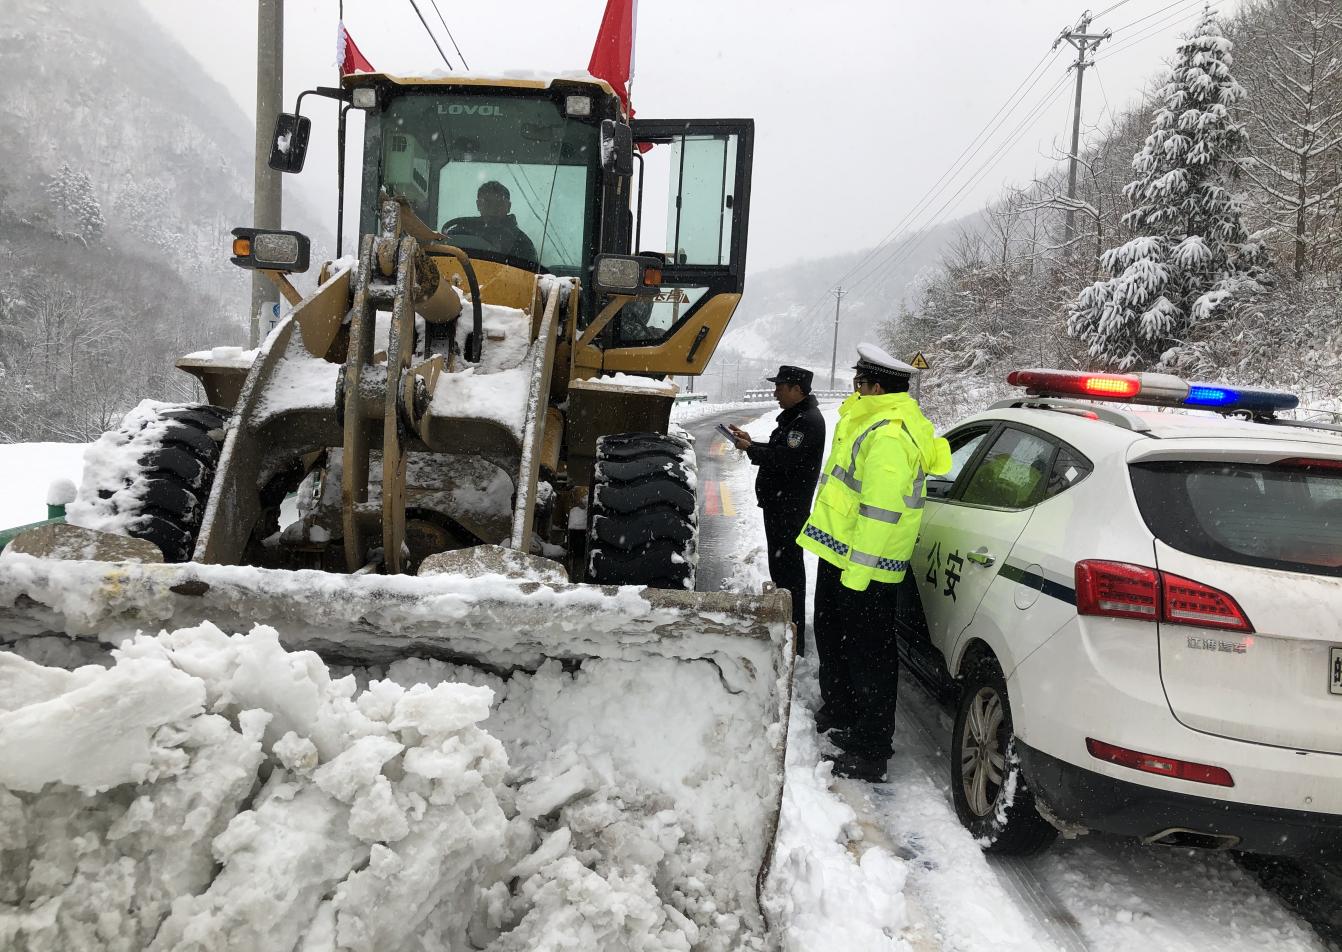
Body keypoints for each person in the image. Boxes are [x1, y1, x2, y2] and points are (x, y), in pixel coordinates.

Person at [797, 342, 951, 782]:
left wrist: (857, 573)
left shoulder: (888, 435)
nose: (855, 389)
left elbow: (881, 512)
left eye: (859, 383)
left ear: (876, 386)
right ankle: (847, 715)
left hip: (865, 566)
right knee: (839, 640)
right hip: (844, 556)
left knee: (870, 656)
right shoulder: (869, 421)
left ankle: (871, 747)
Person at [726, 366, 825, 655]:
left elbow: (785, 459)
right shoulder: (798, 418)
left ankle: (793, 639)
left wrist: (750, 449)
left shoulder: (807, 421)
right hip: (781, 505)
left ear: (797, 389)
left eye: (781, 387)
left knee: (789, 572)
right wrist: (751, 441)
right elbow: (781, 450)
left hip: (789, 508)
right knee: (782, 569)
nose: (775, 392)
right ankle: (787, 628)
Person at [442, 181, 539, 263]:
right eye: (488, 203)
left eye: (499, 203)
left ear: (508, 207)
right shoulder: (459, 233)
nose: (493, 209)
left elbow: (528, 278)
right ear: (478, 205)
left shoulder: (521, 243)